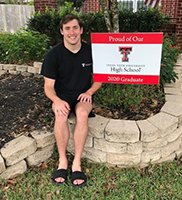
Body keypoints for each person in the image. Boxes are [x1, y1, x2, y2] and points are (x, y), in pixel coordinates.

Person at [41, 14, 102, 188]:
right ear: (62, 31)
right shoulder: (53, 55)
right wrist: (57, 101)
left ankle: (76, 163)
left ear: (81, 30)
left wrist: (89, 92)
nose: (72, 32)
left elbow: (99, 79)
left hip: (83, 95)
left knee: (82, 114)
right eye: (67, 28)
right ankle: (62, 162)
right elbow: (48, 86)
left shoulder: (91, 51)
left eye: (75, 28)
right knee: (60, 116)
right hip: (61, 97)